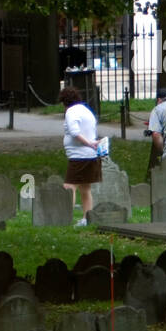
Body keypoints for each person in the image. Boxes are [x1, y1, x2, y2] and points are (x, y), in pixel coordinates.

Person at [61, 86, 100, 226]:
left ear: (64, 102)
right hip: (90, 156)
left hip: (79, 156)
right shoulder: (86, 110)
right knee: (85, 188)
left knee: (69, 187)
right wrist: (91, 145)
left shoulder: (71, 111)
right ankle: (86, 219)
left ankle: (65, 218)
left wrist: (88, 143)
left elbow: (74, 131)